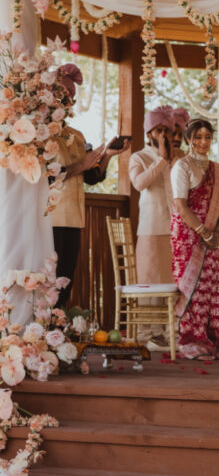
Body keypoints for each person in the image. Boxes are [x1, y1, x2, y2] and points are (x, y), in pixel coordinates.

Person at [51, 64, 130, 306]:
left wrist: (107, 155)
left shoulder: (77, 135)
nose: (68, 101)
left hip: (74, 218)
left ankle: (58, 326)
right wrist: (81, 166)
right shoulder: (40, 133)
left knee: (66, 278)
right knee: (48, 279)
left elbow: (92, 177)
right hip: (48, 218)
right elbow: (45, 178)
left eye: (71, 97)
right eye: (63, 94)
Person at [170, 117, 219, 359]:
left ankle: (210, 338)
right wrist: (204, 232)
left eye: (207, 136)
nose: (203, 141)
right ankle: (190, 339)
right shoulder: (182, 166)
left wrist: (217, 232)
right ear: (188, 139)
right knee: (193, 287)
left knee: (210, 286)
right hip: (188, 234)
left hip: (210, 236)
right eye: (197, 137)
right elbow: (180, 204)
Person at [129, 106, 175, 285]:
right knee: (151, 281)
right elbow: (139, 184)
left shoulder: (178, 159)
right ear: (149, 134)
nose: (163, 135)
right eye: (158, 131)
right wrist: (162, 160)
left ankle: (175, 315)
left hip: (177, 229)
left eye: (167, 131)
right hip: (152, 229)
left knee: (176, 283)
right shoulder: (138, 157)